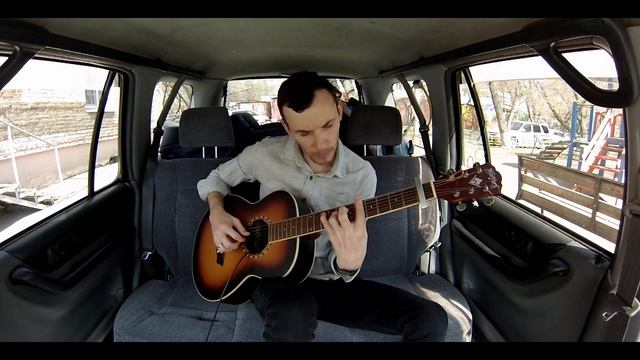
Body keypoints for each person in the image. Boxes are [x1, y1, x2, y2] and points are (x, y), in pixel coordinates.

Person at [197, 71, 447, 342]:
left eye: (328, 125)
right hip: (271, 276)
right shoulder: (264, 153)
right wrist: (218, 213)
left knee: (431, 318)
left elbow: (344, 264)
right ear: (288, 129)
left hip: (330, 283)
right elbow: (217, 178)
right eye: (304, 133)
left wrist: (348, 265)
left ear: (340, 111)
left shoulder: (362, 176)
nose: (320, 143)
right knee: (293, 312)